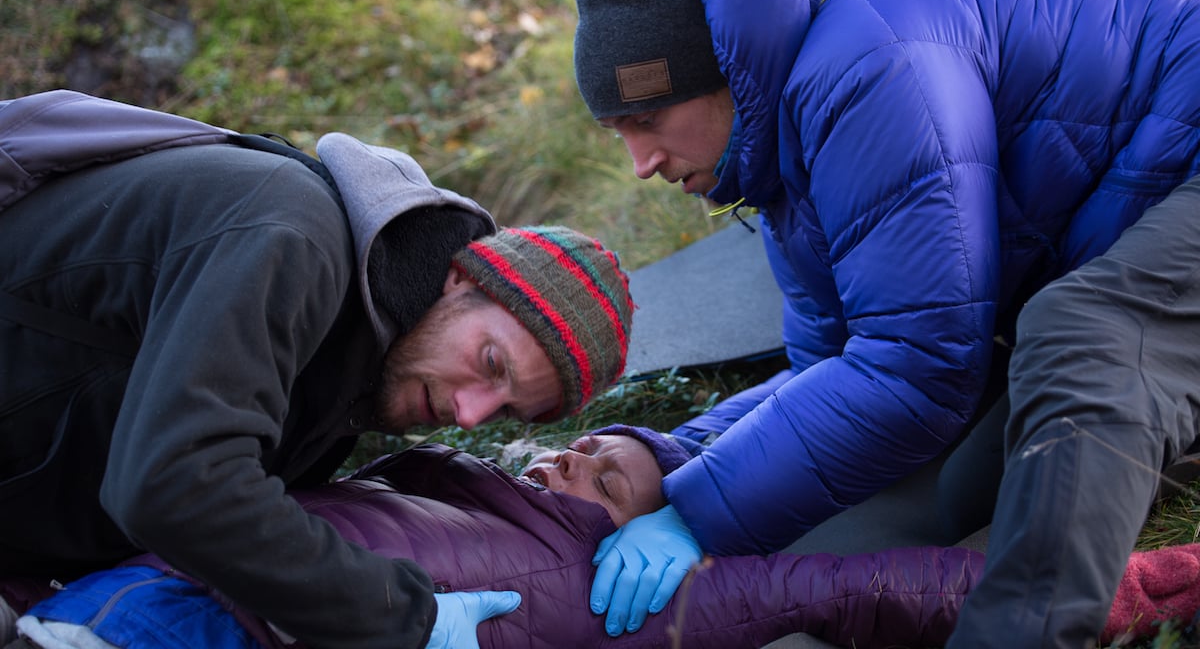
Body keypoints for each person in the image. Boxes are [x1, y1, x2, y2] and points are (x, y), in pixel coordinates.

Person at [570, 0, 1200, 646]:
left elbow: (919, 371)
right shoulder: (779, 163)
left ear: (727, 76)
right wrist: (672, 455)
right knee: (962, 471)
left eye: (649, 120)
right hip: (1150, 225)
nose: (640, 164)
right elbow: (834, 370)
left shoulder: (867, 66)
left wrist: (697, 512)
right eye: (617, 133)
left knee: (1084, 337)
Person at [0, 91, 635, 649]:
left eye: (505, 411)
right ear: (460, 278)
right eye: (490, 362)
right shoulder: (292, 236)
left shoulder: (361, 373)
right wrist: (406, 618)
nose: (469, 414)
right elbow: (175, 484)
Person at [4, 425, 1195, 649]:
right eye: (575, 446)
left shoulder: (639, 590)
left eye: (608, 469)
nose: (570, 457)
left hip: (203, 624)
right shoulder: (464, 480)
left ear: (657, 517)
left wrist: (1128, 579)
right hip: (123, 572)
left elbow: (871, 584)